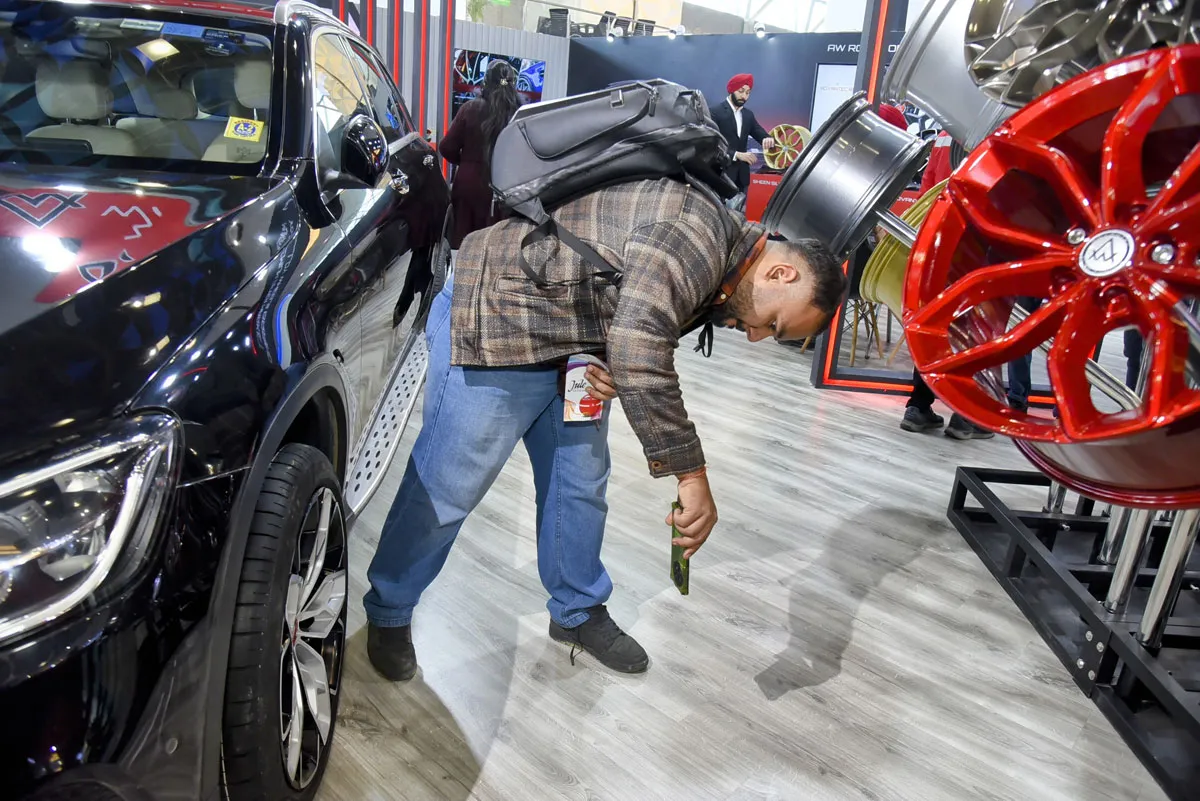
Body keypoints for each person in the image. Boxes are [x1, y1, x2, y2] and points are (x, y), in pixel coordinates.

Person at [363, 178, 847, 679]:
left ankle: (577, 610)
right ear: (781, 273)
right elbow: (641, 346)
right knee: (447, 488)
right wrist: (690, 474)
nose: (756, 337)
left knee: (579, 486)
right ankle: (389, 610)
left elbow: (628, 308)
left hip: (572, 348)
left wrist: (612, 359)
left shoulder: (722, 263)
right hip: (496, 315)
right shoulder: (694, 234)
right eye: (774, 324)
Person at [897, 126, 994, 440]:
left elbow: (927, 190)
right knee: (972, 328)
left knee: (935, 325)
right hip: (980, 239)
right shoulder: (995, 125)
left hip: (938, 241)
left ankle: (918, 405)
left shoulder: (944, 131)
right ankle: (964, 415)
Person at [438, 60, 520, 248]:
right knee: (493, 245)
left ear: (485, 82)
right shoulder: (518, 115)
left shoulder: (470, 108)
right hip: (502, 189)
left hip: (469, 185)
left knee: (463, 244)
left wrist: (467, 162)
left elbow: (446, 147)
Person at [709, 73, 775, 211]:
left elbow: (758, 132)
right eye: (741, 91)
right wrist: (736, 154)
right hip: (721, 175)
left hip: (741, 178)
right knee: (718, 214)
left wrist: (767, 138)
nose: (744, 96)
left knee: (738, 216)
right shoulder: (715, 112)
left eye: (748, 93)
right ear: (732, 90)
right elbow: (711, 144)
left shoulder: (748, 115)